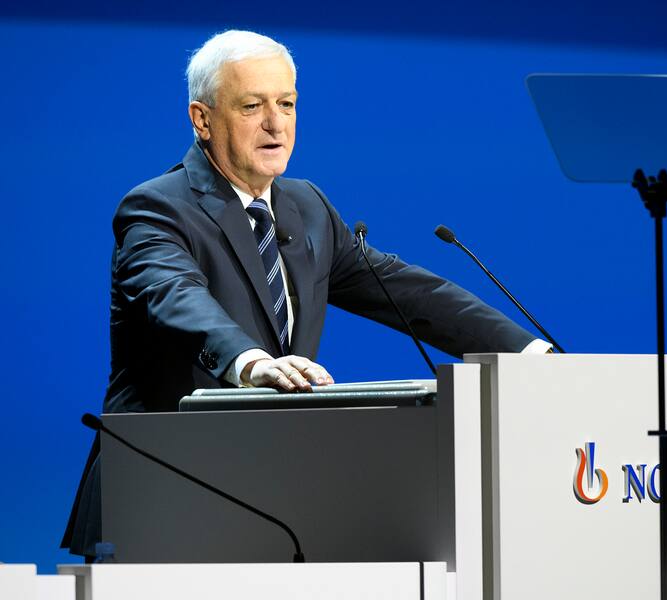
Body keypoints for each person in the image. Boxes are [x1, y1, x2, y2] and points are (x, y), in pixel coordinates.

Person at [61, 30, 549, 558]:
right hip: (159, 493)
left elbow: (405, 292)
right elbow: (174, 296)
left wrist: (527, 353)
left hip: (273, 498)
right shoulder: (157, 208)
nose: (276, 124)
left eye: (286, 104)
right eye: (252, 106)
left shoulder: (306, 206)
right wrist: (249, 362)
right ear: (202, 119)